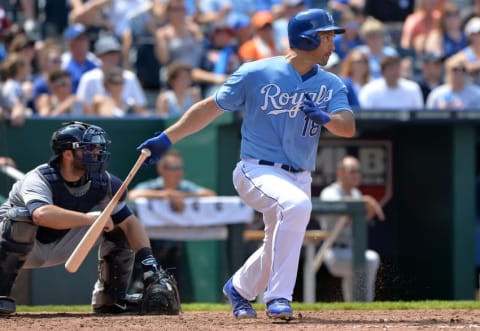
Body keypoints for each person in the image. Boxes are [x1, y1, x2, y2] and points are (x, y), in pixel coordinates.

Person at [136, 8, 355, 320]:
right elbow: (210, 108)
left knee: (280, 237)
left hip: (299, 175)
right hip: (257, 169)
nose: (332, 45)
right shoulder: (256, 72)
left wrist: (327, 118)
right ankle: (278, 298)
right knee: (296, 208)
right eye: (327, 37)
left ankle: (238, 288)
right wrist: (168, 138)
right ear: (307, 38)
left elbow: (347, 126)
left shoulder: (330, 83)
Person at [0, 121, 180, 315]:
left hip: (60, 242)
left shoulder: (104, 181)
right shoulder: (39, 178)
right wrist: (91, 219)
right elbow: (41, 215)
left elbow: (130, 223)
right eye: (89, 148)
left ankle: (110, 300)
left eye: (99, 148)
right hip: (12, 243)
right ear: (67, 153)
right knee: (20, 219)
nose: (96, 153)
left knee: (121, 224)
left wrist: (149, 265)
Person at [127, 150, 216, 294]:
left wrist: (181, 196)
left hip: (174, 249)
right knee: (141, 285)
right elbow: (132, 195)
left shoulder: (184, 187)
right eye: (174, 168)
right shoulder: (154, 185)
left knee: (175, 287)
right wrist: (165, 195)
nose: (179, 173)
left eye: (181, 168)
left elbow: (209, 194)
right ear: (162, 170)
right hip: (150, 246)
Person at [318, 155, 385, 302]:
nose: (357, 175)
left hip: (352, 249)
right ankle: (365, 305)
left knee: (360, 267)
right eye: (353, 171)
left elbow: (358, 219)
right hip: (333, 251)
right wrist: (364, 201)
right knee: (370, 259)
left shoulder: (356, 193)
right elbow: (343, 207)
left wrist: (366, 208)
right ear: (341, 173)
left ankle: (355, 309)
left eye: (359, 171)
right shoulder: (330, 192)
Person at [358, 55, 424, 110]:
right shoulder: (369, 90)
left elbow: (419, 115)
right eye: (391, 69)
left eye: (397, 68)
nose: (394, 72)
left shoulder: (413, 88)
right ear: (382, 71)